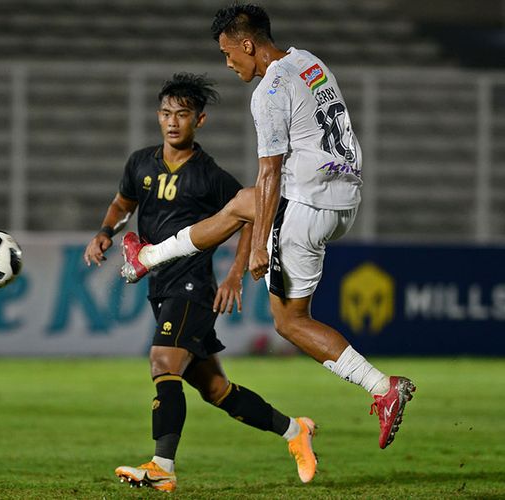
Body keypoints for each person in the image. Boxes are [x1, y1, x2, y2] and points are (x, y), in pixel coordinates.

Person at [120, 4, 415, 451]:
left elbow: (270, 173)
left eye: (227, 53)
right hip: (342, 196)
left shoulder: (269, 91)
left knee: (289, 321)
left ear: (247, 44)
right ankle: (150, 255)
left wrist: (258, 247)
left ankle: (382, 387)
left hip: (307, 204)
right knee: (240, 203)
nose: (228, 63)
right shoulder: (309, 62)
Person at [84, 73, 318, 492]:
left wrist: (234, 275)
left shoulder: (210, 175)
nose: (173, 122)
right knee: (214, 389)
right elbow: (124, 203)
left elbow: (251, 213)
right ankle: (295, 430)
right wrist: (106, 230)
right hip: (161, 287)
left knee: (162, 362)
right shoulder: (140, 163)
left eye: (183, 114)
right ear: (158, 116)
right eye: (166, 113)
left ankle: (162, 466)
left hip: (193, 286)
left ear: (200, 120)